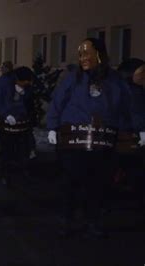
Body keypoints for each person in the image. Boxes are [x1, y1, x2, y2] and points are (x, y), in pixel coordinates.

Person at [46, 38, 138, 238]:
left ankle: (93, 220)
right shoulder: (73, 78)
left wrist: (137, 129)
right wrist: (52, 127)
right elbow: (58, 102)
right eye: (80, 54)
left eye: (87, 53)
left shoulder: (114, 81)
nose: (83, 58)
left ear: (99, 54)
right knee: (71, 181)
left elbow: (127, 107)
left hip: (103, 142)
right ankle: (66, 219)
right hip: (73, 141)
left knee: (98, 183)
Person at [0, 66, 35, 186]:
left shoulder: (26, 86)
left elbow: (29, 103)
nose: (25, 85)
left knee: (23, 149)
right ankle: (5, 175)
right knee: (7, 150)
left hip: (21, 123)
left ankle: (22, 173)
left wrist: (24, 95)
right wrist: (6, 115)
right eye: (23, 83)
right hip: (5, 123)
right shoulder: (4, 82)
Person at [116, 58, 145, 210]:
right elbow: (137, 113)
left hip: (119, 133)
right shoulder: (134, 91)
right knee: (135, 166)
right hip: (130, 134)